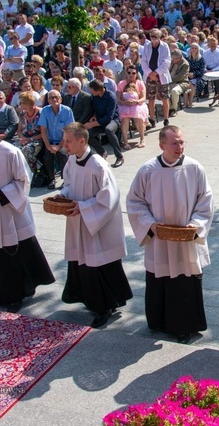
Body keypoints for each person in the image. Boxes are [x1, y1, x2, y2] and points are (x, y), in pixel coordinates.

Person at [126, 125, 213, 344]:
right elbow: (135, 202)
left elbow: (206, 201)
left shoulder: (194, 168)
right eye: (174, 143)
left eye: (182, 142)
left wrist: (195, 225)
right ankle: (158, 322)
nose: (179, 147)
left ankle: (185, 326)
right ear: (161, 145)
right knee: (160, 279)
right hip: (160, 239)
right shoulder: (148, 170)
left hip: (186, 239)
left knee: (184, 282)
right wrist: (151, 225)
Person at [0, 112, 55, 313]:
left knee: (12, 254)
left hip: (8, 210)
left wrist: (1, 194)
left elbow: (23, 181)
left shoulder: (10, 152)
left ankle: (16, 294)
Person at [59, 123, 133, 328]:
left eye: (68, 141)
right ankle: (90, 299)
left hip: (98, 225)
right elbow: (68, 184)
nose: (65, 145)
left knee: (100, 263)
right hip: (80, 221)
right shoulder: (72, 160)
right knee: (83, 261)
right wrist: (62, 196)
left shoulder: (98, 165)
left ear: (82, 141)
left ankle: (105, 306)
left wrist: (82, 207)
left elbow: (109, 198)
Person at [37, 89, 75, 189]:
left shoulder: (67, 111)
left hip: (64, 141)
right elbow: (43, 130)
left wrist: (59, 146)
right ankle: (51, 179)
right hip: (49, 141)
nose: (54, 99)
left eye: (56, 97)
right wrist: (48, 146)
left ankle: (66, 179)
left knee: (63, 154)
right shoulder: (45, 111)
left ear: (61, 99)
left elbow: (68, 131)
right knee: (47, 156)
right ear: (48, 100)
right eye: (51, 97)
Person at [84, 79, 124, 167]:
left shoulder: (111, 97)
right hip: (99, 120)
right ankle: (101, 151)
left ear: (98, 90)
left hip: (113, 120)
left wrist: (92, 124)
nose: (91, 92)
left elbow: (108, 117)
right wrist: (93, 116)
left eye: (92, 90)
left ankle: (119, 156)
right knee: (87, 134)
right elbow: (94, 109)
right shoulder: (94, 97)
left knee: (109, 130)